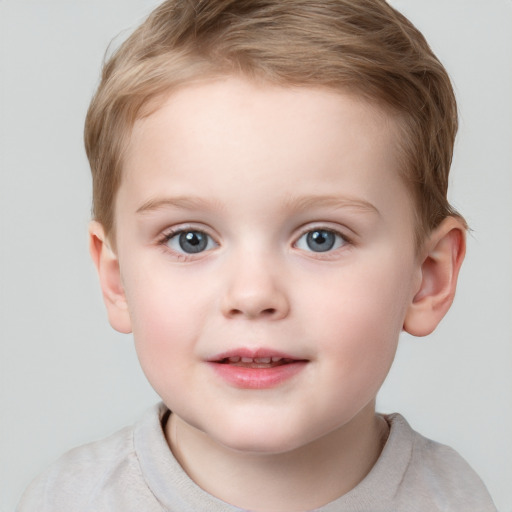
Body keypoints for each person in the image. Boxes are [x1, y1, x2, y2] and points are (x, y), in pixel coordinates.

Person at [17, 1, 497, 510]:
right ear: (116, 281)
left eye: (321, 238)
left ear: (427, 278)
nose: (252, 295)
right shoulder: (67, 501)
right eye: (190, 239)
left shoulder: (457, 500)